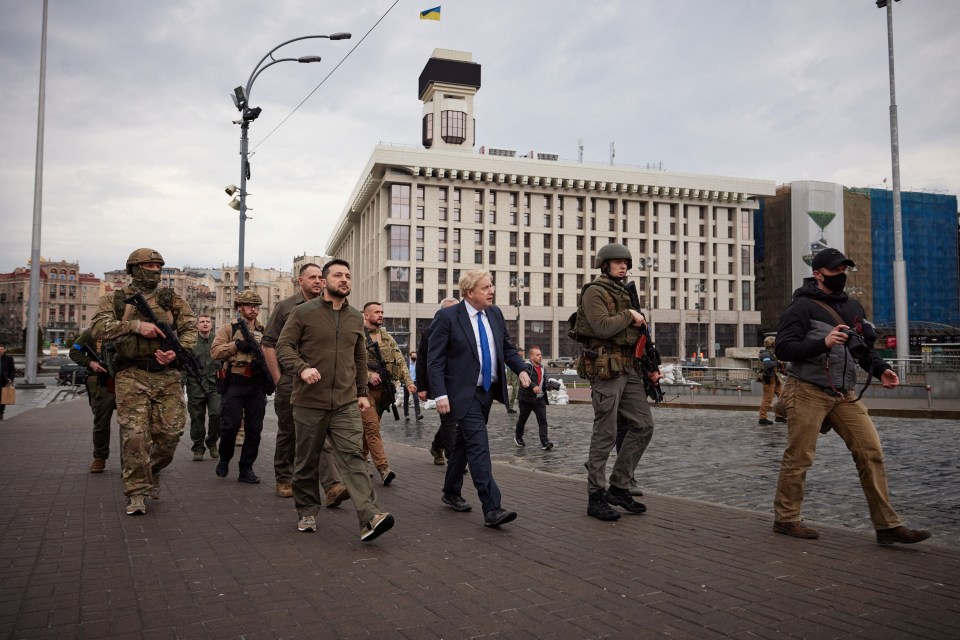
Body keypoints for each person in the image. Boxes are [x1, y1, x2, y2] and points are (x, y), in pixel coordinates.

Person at [772, 247, 931, 545]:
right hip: (805, 389)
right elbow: (783, 349)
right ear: (817, 274)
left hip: (844, 394)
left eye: (844, 270)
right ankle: (786, 518)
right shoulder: (800, 308)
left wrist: (881, 369)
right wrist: (823, 342)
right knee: (800, 457)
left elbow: (865, 349)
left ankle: (887, 526)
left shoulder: (854, 307)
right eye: (835, 271)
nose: (841, 276)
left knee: (871, 451)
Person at [275, 259, 394, 542]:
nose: (344, 280)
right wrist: (302, 368)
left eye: (348, 276)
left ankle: (370, 516)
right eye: (338, 275)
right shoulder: (303, 313)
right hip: (308, 402)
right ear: (325, 281)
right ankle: (306, 510)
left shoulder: (355, 317)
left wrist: (362, 393)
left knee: (353, 458)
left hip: (344, 403)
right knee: (306, 461)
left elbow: (360, 357)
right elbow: (283, 346)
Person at [91, 248, 197, 516]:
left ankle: (152, 470)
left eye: (158, 266)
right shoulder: (116, 299)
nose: (154, 270)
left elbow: (190, 328)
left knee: (170, 436)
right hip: (131, 375)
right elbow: (99, 328)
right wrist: (136, 326)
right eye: (148, 266)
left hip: (168, 376)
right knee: (135, 436)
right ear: (134, 268)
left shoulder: (170, 298)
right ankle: (137, 491)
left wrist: (178, 350)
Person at [427, 270, 530, 528]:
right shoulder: (448, 317)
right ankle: (492, 507)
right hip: (463, 394)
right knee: (478, 446)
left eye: (491, 286)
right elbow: (435, 359)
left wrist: (521, 369)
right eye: (485, 287)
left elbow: (506, 348)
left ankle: (451, 490)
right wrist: (439, 393)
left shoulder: (494, 314)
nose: (491, 290)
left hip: (487, 391)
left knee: (463, 442)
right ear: (469, 292)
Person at [576, 243, 657, 521]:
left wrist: (650, 367)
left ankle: (620, 486)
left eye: (625, 262)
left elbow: (638, 335)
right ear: (604, 265)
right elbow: (601, 327)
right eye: (617, 262)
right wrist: (629, 315)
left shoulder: (623, 292)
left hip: (630, 368)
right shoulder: (595, 292)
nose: (623, 266)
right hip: (606, 370)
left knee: (643, 425)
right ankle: (595, 495)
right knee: (606, 433)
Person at [262, 263, 348, 505]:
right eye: (312, 278)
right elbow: (268, 343)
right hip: (291, 380)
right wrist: (278, 378)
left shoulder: (331, 307)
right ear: (300, 281)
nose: (318, 281)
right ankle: (284, 478)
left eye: (321, 277)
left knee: (320, 434)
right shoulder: (286, 307)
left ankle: (331, 486)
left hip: (320, 383)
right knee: (289, 433)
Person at [211, 290, 270, 484]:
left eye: (256, 306)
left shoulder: (264, 331)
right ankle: (225, 459)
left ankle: (246, 468)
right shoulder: (228, 329)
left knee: (254, 430)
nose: (253, 309)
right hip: (234, 382)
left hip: (256, 384)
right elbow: (216, 352)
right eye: (249, 305)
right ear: (239, 308)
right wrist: (236, 345)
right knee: (230, 426)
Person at [360, 301, 417, 485]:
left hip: (384, 392)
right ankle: (383, 468)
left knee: (369, 430)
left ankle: (360, 462)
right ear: (366, 315)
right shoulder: (357, 337)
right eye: (376, 312)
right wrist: (368, 375)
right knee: (372, 428)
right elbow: (347, 362)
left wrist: (408, 382)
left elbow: (399, 360)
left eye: (382, 312)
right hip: (363, 391)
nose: (380, 315)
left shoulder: (387, 338)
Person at [417, 297, 459, 466]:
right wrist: (422, 387)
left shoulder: (464, 327)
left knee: (455, 420)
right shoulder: (430, 330)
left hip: (460, 383)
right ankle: (453, 459)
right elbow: (423, 360)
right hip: (441, 383)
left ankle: (436, 446)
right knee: (449, 421)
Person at [69, 330, 117, 472]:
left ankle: (130, 461)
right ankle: (100, 458)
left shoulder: (128, 328)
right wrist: (90, 363)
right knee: (101, 423)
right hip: (102, 383)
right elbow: (74, 352)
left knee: (131, 423)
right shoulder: (92, 333)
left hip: (125, 380)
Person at [185, 314, 220, 461]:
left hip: (214, 385)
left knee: (217, 414)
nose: (205, 324)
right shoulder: (190, 342)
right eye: (202, 322)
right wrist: (182, 383)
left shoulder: (218, 341)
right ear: (197, 325)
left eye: (208, 321)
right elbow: (184, 364)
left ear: (211, 325)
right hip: (196, 385)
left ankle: (212, 442)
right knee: (197, 418)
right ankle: (198, 448)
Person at [513, 345, 554, 450]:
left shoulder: (542, 368)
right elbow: (525, 378)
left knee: (542, 420)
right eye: (537, 355)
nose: (540, 357)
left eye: (540, 354)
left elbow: (543, 382)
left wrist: (548, 386)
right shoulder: (526, 367)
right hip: (526, 399)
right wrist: (533, 386)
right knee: (523, 419)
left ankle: (545, 442)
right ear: (531, 357)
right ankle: (518, 437)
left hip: (539, 399)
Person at [757, 335, 786, 426]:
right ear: (772, 343)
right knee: (767, 399)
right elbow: (768, 364)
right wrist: (778, 362)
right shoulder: (765, 353)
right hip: (768, 378)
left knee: (782, 396)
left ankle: (779, 416)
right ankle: (762, 418)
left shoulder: (772, 353)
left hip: (775, 377)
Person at [403, 350, 422, 422]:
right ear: (410, 356)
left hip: (415, 383)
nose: (414, 357)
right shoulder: (406, 364)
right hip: (407, 383)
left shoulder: (418, 364)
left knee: (416, 399)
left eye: (415, 356)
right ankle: (406, 415)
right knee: (406, 399)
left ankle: (418, 415)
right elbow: (403, 372)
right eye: (413, 356)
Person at [505, 348, 524, 414]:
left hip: (520, 380)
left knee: (514, 395)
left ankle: (510, 408)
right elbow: (509, 370)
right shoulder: (513, 360)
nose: (522, 353)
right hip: (514, 380)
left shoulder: (522, 360)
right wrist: (508, 380)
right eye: (521, 352)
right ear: (518, 352)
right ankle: (523, 409)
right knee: (518, 394)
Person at [0, 343, 17, 420]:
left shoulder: (9, 358)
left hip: (4, 380)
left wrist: (11, 378)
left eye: (1, 349)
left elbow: (12, 370)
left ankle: (1, 412)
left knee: (3, 397)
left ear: (4, 350)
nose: (0, 351)